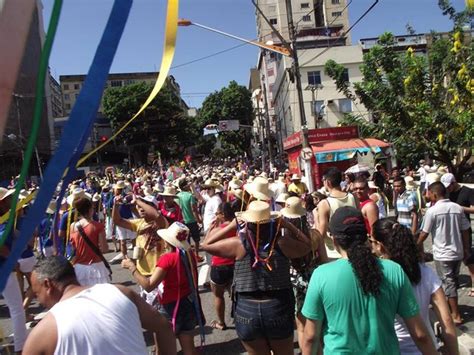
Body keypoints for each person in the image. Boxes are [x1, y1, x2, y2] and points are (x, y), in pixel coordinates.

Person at [302, 207, 438, 355]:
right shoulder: (394, 270)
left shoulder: (321, 275)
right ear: (366, 236)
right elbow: (420, 335)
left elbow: (310, 337)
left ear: (334, 240)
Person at [202, 200, 312, 355]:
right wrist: (288, 226)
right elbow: (308, 245)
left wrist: (232, 225)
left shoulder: (238, 244)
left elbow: (206, 245)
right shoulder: (282, 243)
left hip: (247, 308)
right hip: (277, 305)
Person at [23, 256, 176, 355]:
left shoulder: (42, 333)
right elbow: (164, 327)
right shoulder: (121, 292)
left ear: (48, 284)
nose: (40, 301)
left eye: (37, 293)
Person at [371, 218, 459, 355]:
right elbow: (446, 320)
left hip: (396, 349)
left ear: (380, 245)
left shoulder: (378, 277)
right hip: (429, 349)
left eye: (371, 242)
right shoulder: (426, 272)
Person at [122, 222, 201, 355]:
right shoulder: (189, 254)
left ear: (167, 241)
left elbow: (148, 285)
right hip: (187, 302)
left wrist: (132, 267)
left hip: (170, 306)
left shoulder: (167, 259)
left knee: (164, 348)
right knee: (188, 345)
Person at [417, 182, 471, 325]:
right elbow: (466, 229)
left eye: (429, 192)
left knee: (449, 283)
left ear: (434, 194)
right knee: (452, 280)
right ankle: (451, 308)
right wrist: (466, 249)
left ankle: (456, 315)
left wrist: (415, 246)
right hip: (457, 251)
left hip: (443, 254)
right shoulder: (457, 208)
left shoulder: (432, 211)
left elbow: (424, 233)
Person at [280, 196, 324, 353]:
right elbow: (324, 261)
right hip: (315, 280)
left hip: (294, 283)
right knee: (317, 324)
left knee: (301, 326)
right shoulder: (315, 234)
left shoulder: (283, 241)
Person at [0, 187, 27, 353]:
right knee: (17, 309)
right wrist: (12, 260)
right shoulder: (3, 222)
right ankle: (20, 347)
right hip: (4, 269)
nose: (12, 201)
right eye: (9, 199)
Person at [203, 202, 236, 331]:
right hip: (234, 263)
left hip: (219, 266)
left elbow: (205, 244)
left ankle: (221, 323)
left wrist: (211, 229)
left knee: (218, 296)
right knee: (237, 295)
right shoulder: (238, 227)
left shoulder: (217, 229)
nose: (215, 215)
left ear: (222, 214)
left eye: (217, 213)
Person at [442, 173, 474, 297]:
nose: (448, 189)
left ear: (454, 183)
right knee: (453, 256)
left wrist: (458, 207)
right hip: (450, 228)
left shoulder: (467, 192)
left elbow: (473, 209)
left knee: (468, 257)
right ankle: (454, 281)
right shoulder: (446, 193)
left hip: (463, 228)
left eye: (449, 186)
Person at [317, 167, 357, 259]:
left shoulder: (325, 203)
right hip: (353, 247)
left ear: (328, 182)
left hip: (334, 252)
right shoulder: (353, 197)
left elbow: (321, 234)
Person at [69, 196, 110, 286]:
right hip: (96, 267)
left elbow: (73, 248)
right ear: (90, 209)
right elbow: (104, 249)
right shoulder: (98, 226)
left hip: (79, 267)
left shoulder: (72, 226)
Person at [177, 178, 203, 260]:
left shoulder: (177, 196)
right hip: (192, 221)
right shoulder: (190, 196)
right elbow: (194, 210)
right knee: (196, 240)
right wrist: (198, 219)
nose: (189, 186)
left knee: (186, 241)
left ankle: (188, 257)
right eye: (188, 185)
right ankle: (196, 255)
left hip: (182, 221)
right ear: (185, 186)